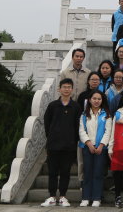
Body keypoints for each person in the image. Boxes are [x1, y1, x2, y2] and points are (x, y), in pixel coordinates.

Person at [42, 78, 82, 207]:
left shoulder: (76, 107)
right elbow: (47, 124)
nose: (66, 89)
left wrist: (73, 140)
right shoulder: (53, 106)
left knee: (65, 172)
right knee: (52, 172)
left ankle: (63, 196)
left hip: (69, 146)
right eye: (64, 87)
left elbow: (78, 126)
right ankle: (52, 196)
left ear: (72, 89)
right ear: (59, 89)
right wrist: (51, 137)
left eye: (69, 87)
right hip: (53, 145)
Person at [79, 90, 111, 207]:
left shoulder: (106, 115)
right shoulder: (84, 114)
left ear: (102, 100)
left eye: (99, 99)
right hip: (87, 147)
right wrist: (89, 144)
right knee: (87, 172)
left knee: (98, 173)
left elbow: (108, 132)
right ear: (90, 100)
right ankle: (86, 198)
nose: (96, 101)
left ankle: (97, 198)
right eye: (94, 98)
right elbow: (81, 130)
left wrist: (101, 145)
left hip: (101, 148)